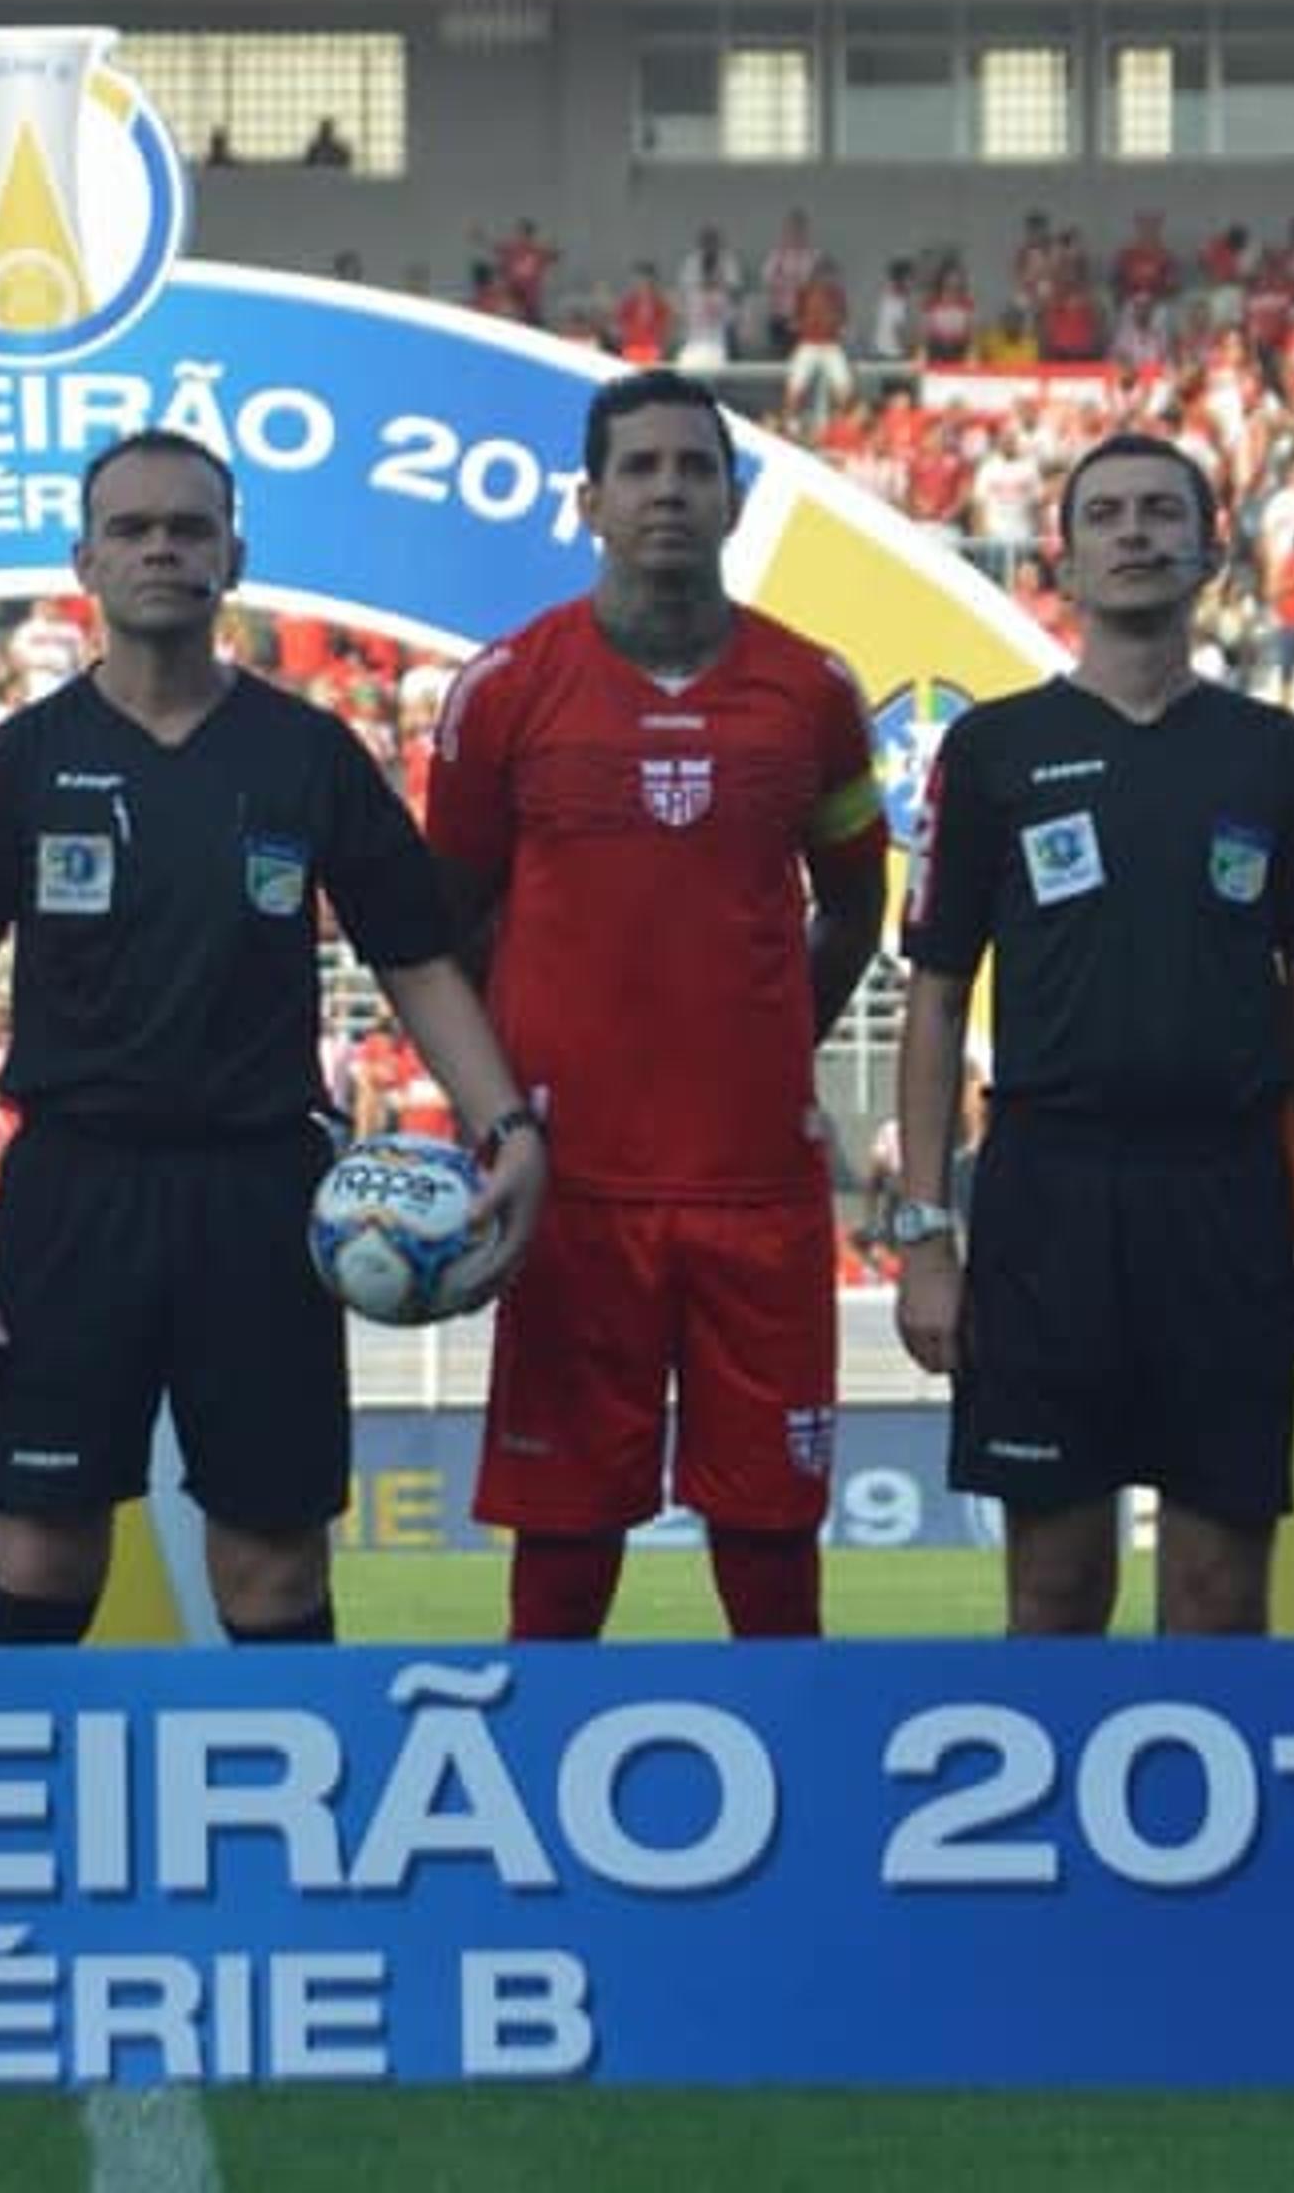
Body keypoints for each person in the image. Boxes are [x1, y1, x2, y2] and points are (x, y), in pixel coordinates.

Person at [0, 427, 547, 1647]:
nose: (162, 548)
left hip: (262, 1192)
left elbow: (412, 956)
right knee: (41, 1545)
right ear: (82, 558)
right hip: (71, 1188)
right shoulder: (20, 764)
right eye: (134, 528)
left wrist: (504, 1122)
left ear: (233, 555)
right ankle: (5, 1838)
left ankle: (286, 1839)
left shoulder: (306, 755)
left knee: (273, 1562)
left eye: (189, 528)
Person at [428, 369, 887, 1641]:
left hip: (757, 1191)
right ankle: (539, 1812)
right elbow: (441, 933)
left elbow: (856, 901)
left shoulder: (812, 694)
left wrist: (769, 1041)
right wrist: (500, 1120)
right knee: (565, 1550)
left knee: (772, 1546)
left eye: (696, 467)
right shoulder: (506, 690)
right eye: (642, 468)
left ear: (735, 499)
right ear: (590, 500)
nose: (670, 491)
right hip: (574, 1191)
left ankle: (798, 1797)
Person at [893, 432, 1294, 1636]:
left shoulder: (1278, 757)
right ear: (1065, 556)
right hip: (1049, 1192)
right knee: (1055, 1588)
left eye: (1164, 510)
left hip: (1228, 1195)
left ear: (1211, 550)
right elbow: (937, 998)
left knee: (1219, 1592)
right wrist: (925, 1233)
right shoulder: (994, 750)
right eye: (1106, 513)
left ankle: (1214, 1828)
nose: (1136, 531)